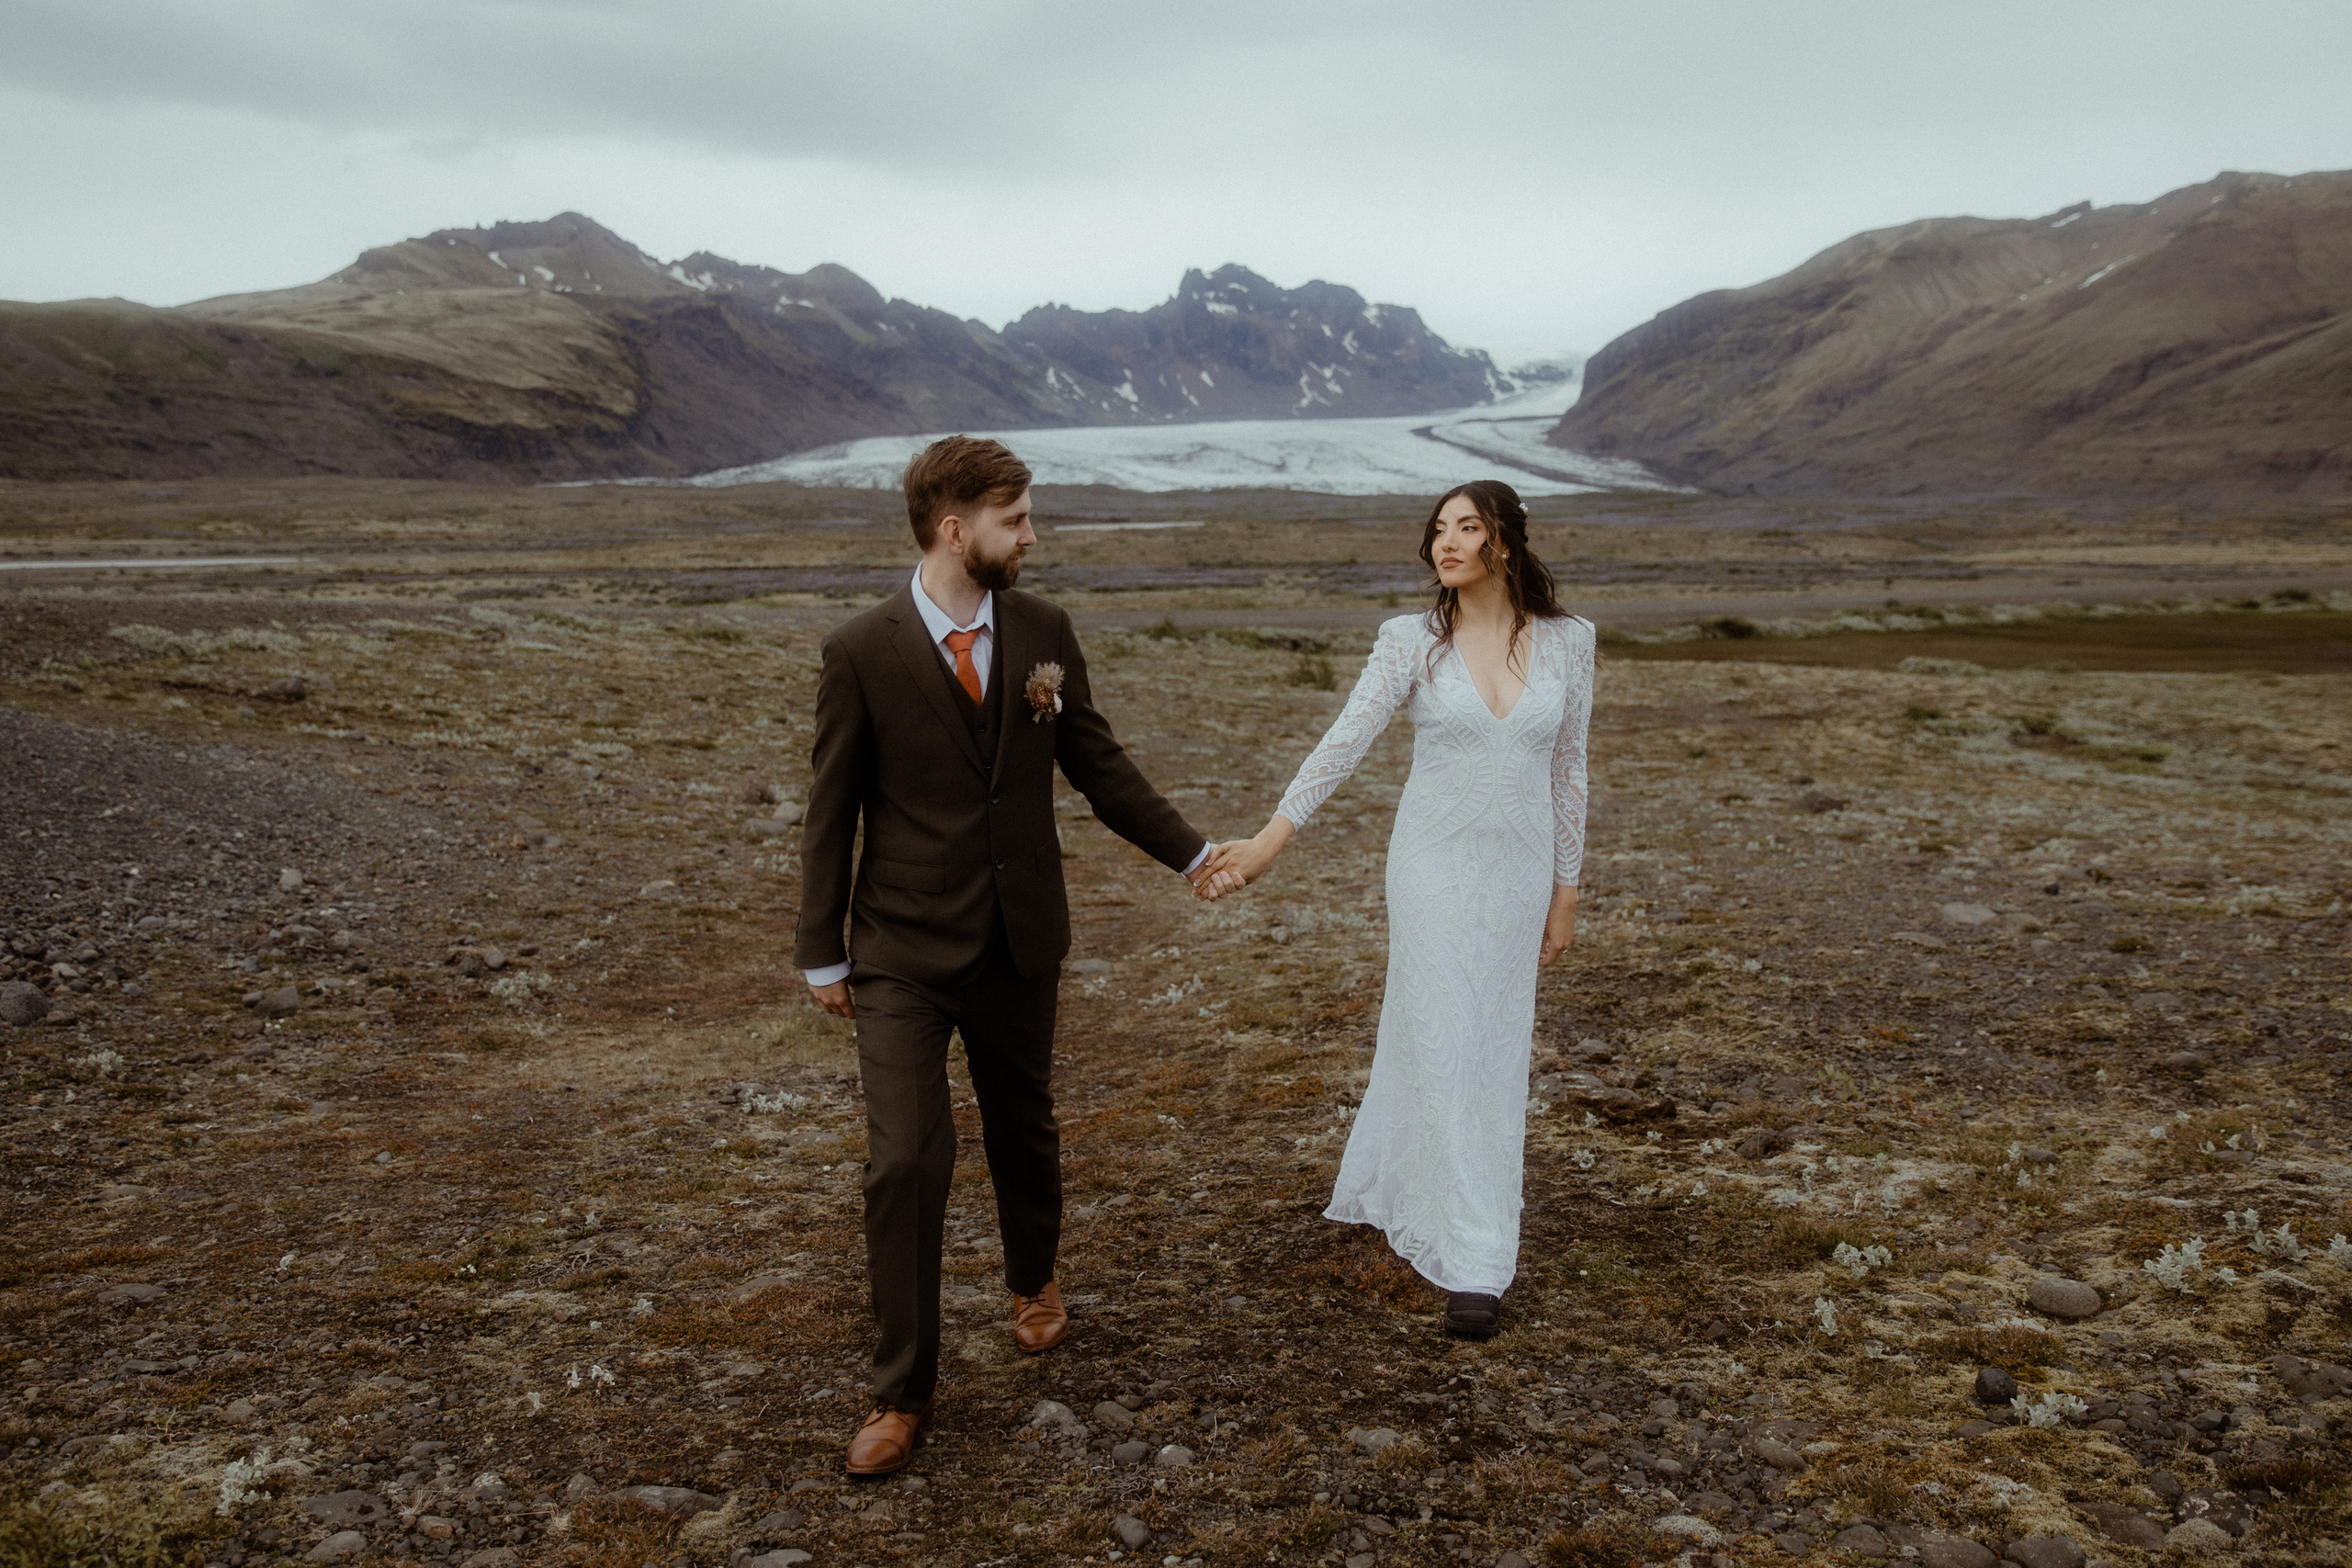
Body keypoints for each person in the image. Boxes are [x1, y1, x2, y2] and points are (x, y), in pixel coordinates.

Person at [796, 435, 1220, 1476]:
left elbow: (1096, 763)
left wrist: (1196, 855)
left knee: (1023, 1129)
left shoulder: (1043, 632)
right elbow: (830, 808)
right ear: (956, 529)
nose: (1033, 537)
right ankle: (901, 1394)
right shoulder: (860, 649)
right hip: (898, 948)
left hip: (1020, 938)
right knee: (905, 1160)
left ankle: (1034, 1280)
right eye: (1016, 519)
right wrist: (822, 953)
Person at [1198, 479, 1593, 1339]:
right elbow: (1345, 738)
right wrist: (1271, 839)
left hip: (1520, 872)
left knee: (1488, 1040)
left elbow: (1570, 769)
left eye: (1466, 528)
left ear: (1505, 543)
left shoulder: (1569, 643)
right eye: (1437, 530)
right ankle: (1479, 1256)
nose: (1444, 543)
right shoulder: (1411, 641)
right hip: (1431, 865)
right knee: (1448, 1028)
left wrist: (1566, 891)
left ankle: (1402, 1179)